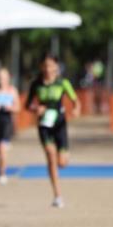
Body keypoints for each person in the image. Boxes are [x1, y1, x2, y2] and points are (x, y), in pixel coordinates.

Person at [26, 53, 81, 208]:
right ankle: (57, 195)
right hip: (44, 125)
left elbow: (76, 100)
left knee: (62, 163)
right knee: (50, 156)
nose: (48, 69)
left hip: (60, 124)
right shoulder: (36, 84)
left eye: (51, 65)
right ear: (41, 67)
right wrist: (37, 108)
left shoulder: (63, 83)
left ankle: (62, 157)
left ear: (56, 67)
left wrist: (76, 109)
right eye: (45, 66)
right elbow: (27, 105)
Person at [0, 66, 21, 184]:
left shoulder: (12, 90)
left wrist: (10, 107)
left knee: (2, 148)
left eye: (4, 78)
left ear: (8, 78)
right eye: (0, 77)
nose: (2, 80)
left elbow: (18, 107)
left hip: (6, 121)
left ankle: (2, 172)